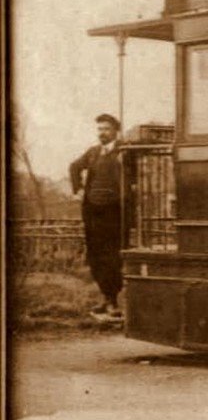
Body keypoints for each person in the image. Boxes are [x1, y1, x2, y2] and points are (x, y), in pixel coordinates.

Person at [70, 113, 130, 322]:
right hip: (93, 212)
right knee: (96, 256)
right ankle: (106, 297)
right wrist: (77, 190)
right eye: (99, 129)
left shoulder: (124, 150)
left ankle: (113, 301)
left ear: (115, 130)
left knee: (112, 255)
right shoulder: (93, 153)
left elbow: (139, 172)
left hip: (115, 211)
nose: (102, 133)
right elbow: (74, 167)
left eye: (106, 129)